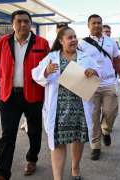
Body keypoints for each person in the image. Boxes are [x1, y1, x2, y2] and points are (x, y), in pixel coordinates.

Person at [32, 27, 102, 180]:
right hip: (58, 109)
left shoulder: (85, 57)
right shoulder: (51, 57)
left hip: (79, 107)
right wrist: (46, 70)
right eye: (70, 37)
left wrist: (94, 72)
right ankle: (58, 178)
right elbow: (35, 73)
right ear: (61, 41)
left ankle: (75, 168)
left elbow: (99, 70)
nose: (74, 40)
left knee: (77, 138)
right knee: (57, 142)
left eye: (75, 36)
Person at [0, 10, 50, 180]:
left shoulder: (42, 43)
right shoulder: (2, 42)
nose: (23, 24)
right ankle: (2, 173)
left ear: (31, 23)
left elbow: (50, 68)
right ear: (12, 24)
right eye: (19, 21)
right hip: (9, 96)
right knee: (7, 135)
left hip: (34, 95)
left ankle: (32, 159)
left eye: (26, 21)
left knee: (35, 132)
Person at [78, 14, 120, 161]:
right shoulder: (82, 44)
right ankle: (95, 146)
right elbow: (77, 64)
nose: (97, 25)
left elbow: (117, 62)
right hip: (90, 84)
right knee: (93, 117)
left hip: (109, 82)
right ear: (88, 26)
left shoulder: (111, 42)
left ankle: (106, 130)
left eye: (99, 23)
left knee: (111, 113)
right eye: (94, 23)